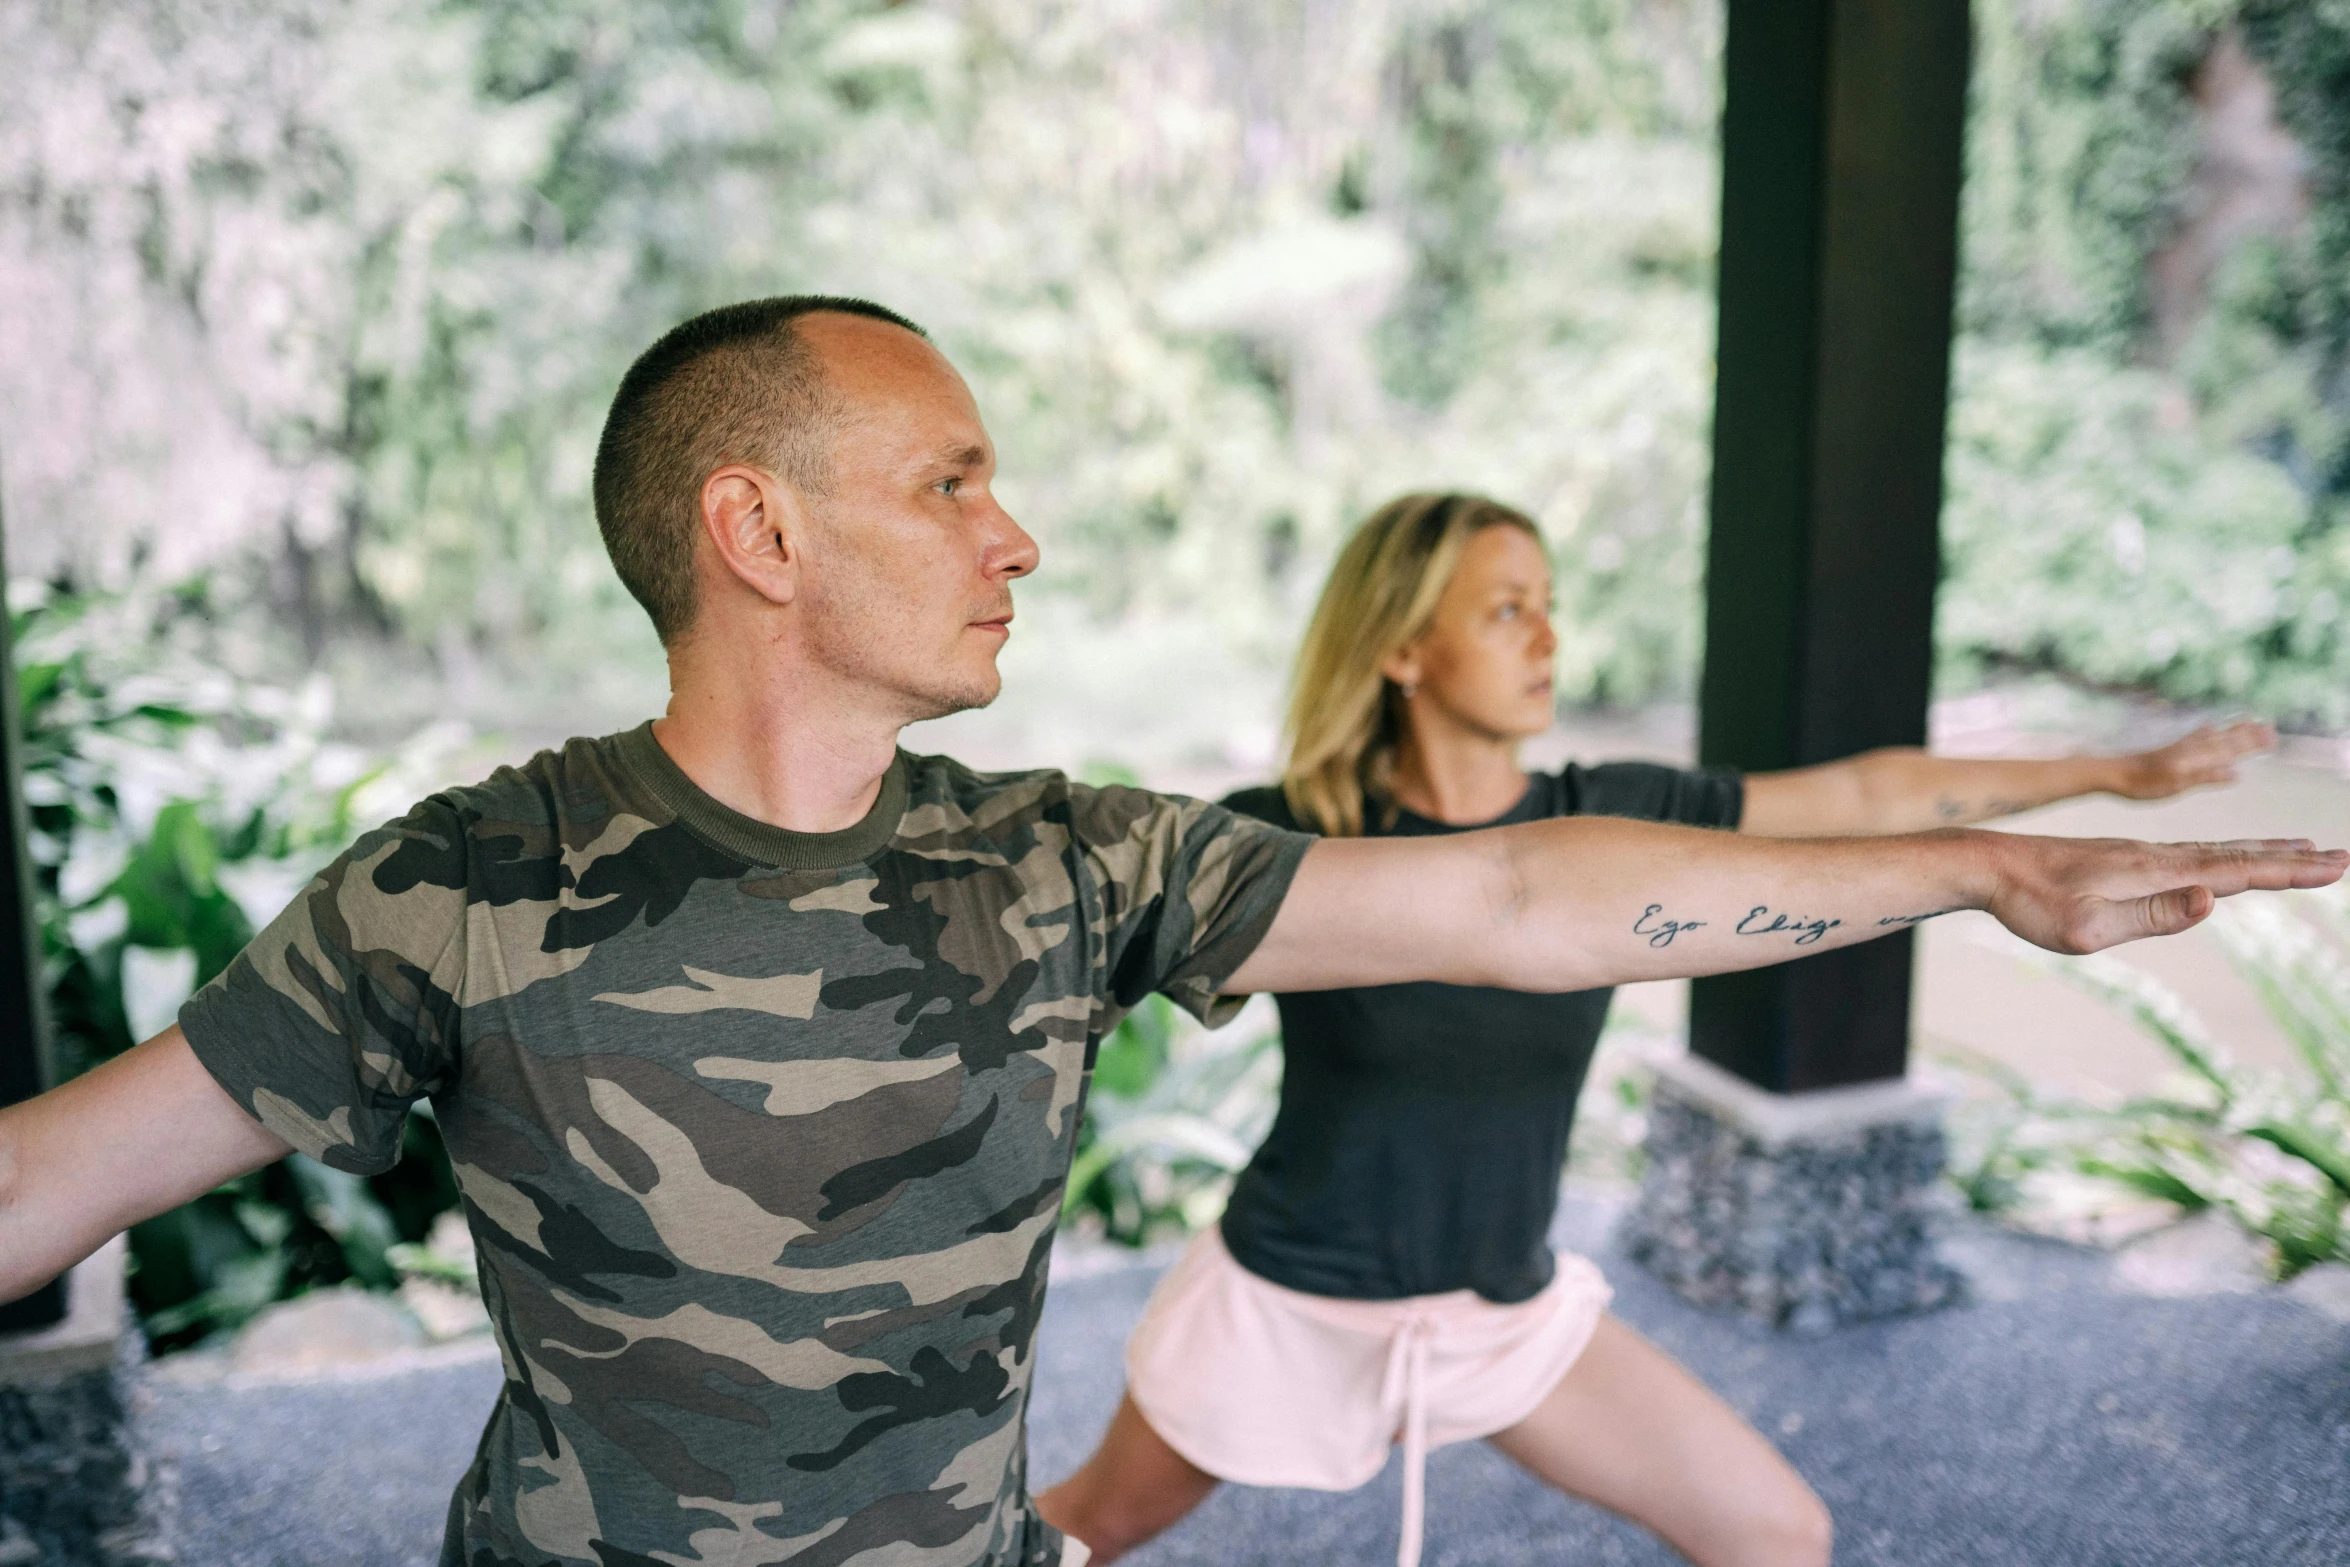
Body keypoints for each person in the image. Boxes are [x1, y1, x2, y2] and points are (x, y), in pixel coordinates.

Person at [0, 300, 2332, 1567]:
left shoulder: (1062, 855)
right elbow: (41, 1186)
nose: (1013, 534)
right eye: (948, 477)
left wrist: (1982, 863)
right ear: (759, 531)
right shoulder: (457, 881)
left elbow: (1523, 894)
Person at [1036, 492, 2281, 1567]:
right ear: (1404, 649)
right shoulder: (1287, 830)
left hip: (1498, 1309)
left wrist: (2109, 777)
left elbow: (1861, 798)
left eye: (1550, 602)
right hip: (1286, 1300)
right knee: (1078, 1531)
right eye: (1506, 607)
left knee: (1774, 1532)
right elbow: (1080, 973)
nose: (1549, 636)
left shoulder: (1612, 822)